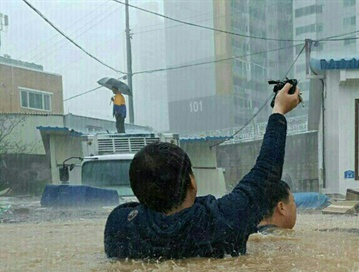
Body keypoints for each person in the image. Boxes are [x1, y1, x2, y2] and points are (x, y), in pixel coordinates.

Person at [104, 83, 302, 259]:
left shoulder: (119, 226)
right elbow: (266, 172)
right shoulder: (218, 223)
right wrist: (279, 110)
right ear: (192, 182)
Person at [256, 179, 359, 241]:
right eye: (293, 202)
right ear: (281, 208)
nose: (295, 207)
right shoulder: (280, 239)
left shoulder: (254, 233)